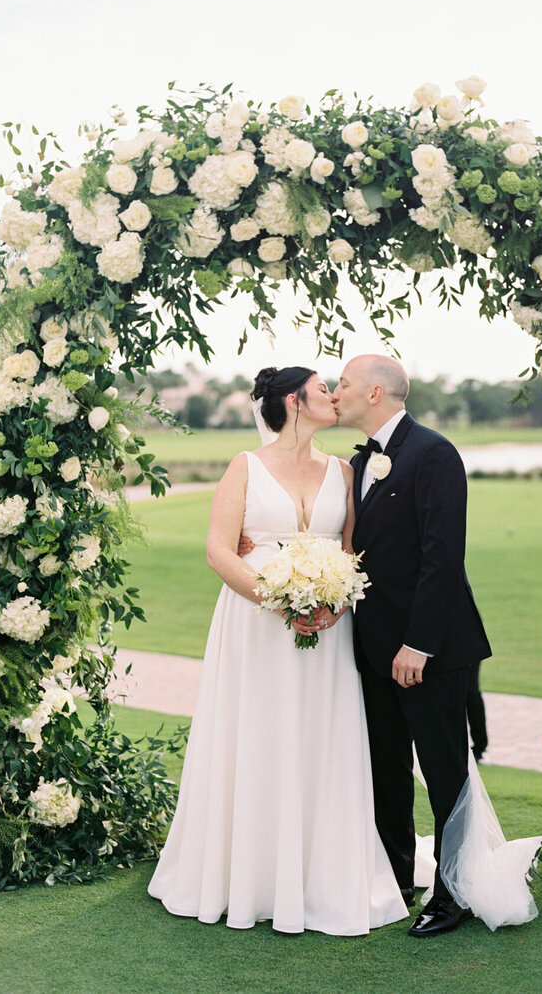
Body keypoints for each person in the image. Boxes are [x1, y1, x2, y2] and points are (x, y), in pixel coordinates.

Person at [148, 366, 408, 935]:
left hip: (329, 629)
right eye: (322, 389)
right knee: (256, 734)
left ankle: (320, 875)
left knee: (319, 736)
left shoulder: (345, 470)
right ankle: (249, 876)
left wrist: (334, 605)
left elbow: (350, 550)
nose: (334, 397)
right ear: (293, 401)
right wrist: (280, 601)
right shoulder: (244, 467)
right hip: (255, 625)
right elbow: (220, 552)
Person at [332, 354, 493, 937]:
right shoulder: (359, 460)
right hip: (373, 649)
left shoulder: (434, 453)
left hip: (431, 650)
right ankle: (397, 880)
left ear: (376, 393)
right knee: (386, 770)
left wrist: (418, 645)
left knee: (445, 770)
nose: (337, 392)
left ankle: (456, 892)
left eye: (345, 384)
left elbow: (442, 556)